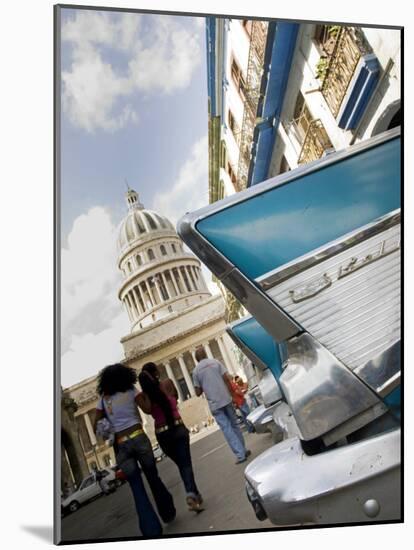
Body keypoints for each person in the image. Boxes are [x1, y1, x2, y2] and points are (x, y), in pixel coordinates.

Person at [94, 363, 176, 537]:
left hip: (121, 443)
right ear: (126, 376)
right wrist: (145, 395)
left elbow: (96, 422)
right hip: (138, 436)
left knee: (137, 489)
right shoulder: (131, 390)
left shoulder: (104, 398)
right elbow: (147, 409)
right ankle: (167, 512)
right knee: (153, 478)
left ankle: (151, 530)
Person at [138, 362, 203, 513]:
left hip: (162, 434)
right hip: (177, 427)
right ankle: (191, 493)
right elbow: (176, 396)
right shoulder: (168, 383)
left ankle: (196, 494)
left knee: (182, 464)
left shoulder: (145, 396)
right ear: (157, 373)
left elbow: (147, 411)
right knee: (185, 464)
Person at [192, 347, 251, 464]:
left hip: (215, 404)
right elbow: (226, 380)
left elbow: (198, 393)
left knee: (226, 428)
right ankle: (243, 450)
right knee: (234, 425)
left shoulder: (196, 371)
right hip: (226, 398)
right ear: (205, 354)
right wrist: (232, 395)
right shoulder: (215, 362)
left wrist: (204, 384)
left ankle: (240, 454)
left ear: (197, 358)